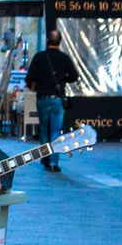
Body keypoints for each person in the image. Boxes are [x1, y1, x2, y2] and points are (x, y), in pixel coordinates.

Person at [25, 30, 79, 171]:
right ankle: (54, 163)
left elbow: (31, 76)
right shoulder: (64, 58)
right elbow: (74, 76)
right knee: (55, 131)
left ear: (47, 40)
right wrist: (62, 80)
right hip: (57, 99)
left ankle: (45, 157)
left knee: (44, 130)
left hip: (42, 98)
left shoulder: (39, 57)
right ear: (60, 42)